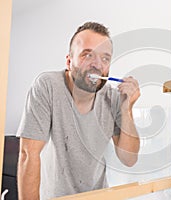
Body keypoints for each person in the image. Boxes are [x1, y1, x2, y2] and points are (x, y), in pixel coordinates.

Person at [17, 22, 140, 200]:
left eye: (105, 58)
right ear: (69, 61)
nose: (97, 65)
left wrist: (127, 107)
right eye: (87, 55)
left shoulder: (113, 98)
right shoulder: (47, 86)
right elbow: (28, 154)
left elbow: (129, 160)